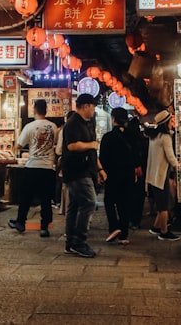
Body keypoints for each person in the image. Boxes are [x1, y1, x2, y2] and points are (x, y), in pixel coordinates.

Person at [61, 94, 103, 258]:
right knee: (89, 203)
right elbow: (72, 146)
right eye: (92, 107)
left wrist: (100, 169)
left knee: (75, 205)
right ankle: (79, 241)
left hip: (85, 169)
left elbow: (91, 151)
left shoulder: (86, 123)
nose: (93, 110)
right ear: (85, 106)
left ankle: (71, 242)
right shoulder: (73, 123)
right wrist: (91, 144)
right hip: (77, 170)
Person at [8, 99, 57, 237]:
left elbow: (18, 145)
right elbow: (56, 145)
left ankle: (20, 223)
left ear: (34, 109)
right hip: (48, 168)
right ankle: (44, 227)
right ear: (46, 110)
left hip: (32, 166)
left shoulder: (29, 127)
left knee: (26, 197)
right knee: (46, 199)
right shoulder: (53, 127)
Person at [99, 107, 137, 244]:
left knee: (109, 201)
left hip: (112, 175)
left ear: (113, 119)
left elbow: (102, 157)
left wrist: (101, 172)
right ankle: (124, 235)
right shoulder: (133, 136)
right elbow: (137, 156)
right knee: (124, 203)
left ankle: (114, 227)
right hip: (128, 175)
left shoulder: (108, 137)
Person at [145, 109, 181, 241]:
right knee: (164, 205)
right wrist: (178, 166)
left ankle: (155, 227)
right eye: (170, 121)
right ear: (166, 123)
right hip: (161, 175)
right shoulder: (165, 137)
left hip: (153, 175)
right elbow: (170, 156)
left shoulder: (154, 136)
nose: (172, 123)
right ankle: (164, 232)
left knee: (161, 203)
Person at [125, 113, 149, 229]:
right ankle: (136, 220)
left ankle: (130, 218)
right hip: (139, 170)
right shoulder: (140, 139)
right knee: (138, 196)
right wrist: (138, 166)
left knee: (130, 195)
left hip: (129, 170)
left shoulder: (126, 137)